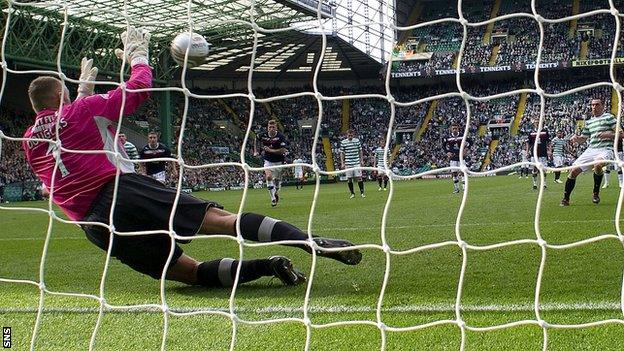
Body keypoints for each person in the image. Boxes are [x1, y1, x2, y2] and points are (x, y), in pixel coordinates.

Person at [22, 27, 361, 290]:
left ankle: (268, 265)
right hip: (121, 192)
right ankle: (310, 242)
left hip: (95, 225)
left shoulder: (26, 141)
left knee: (191, 274)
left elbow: (61, 137)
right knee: (222, 221)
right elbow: (139, 87)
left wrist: (79, 95)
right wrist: (138, 57)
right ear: (60, 95)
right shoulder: (82, 110)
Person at [561, 97, 616, 206]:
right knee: (573, 171)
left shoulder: (609, 118)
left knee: (598, 164)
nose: (594, 107)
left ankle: (595, 193)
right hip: (591, 150)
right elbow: (583, 139)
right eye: (592, 105)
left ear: (603, 106)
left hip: (606, 149)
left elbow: (621, 134)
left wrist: (608, 135)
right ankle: (566, 199)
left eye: (597, 104)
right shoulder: (589, 122)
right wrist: (577, 138)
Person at [254, 119, 288, 207]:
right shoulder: (263, 135)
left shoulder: (281, 136)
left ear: (276, 128)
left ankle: (276, 192)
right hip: (268, 161)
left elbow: (283, 150)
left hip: (279, 161)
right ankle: (273, 199)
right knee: (268, 177)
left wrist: (270, 150)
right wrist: (256, 151)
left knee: (277, 182)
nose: (271, 128)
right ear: (267, 128)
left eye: (273, 127)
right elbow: (256, 139)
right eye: (270, 127)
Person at [526, 119, 552, 190]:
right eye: (536, 123)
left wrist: (549, 150)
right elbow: (528, 143)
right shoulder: (531, 132)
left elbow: (549, 142)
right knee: (534, 169)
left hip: (543, 153)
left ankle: (544, 183)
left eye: (538, 122)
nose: (537, 124)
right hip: (534, 154)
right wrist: (527, 152)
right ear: (534, 124)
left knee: (543, 169)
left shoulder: (545, 132)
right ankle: (534, 184)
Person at [340, 129, 365, 198]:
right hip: (348, 163)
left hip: (356, 162)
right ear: (346, 135)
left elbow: (360, 151)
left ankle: (362, 193)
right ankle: (352, 193)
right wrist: (342, 163)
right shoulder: (343, 142)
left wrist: (361, 160)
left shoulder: (357, 141)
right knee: (349, 179)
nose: (350, 136)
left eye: (351, 135)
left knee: (359, 177)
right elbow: (342, 153)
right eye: (349, 135)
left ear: (353, 135)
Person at [443, 123, 467, 193]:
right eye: (453, 129)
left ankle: (464, 188)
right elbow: (443, 146)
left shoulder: (462, 135)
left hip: (461, 157)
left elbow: (470, 142)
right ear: (451, 129)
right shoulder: (448, 137)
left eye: (456, 128)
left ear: (458, 129)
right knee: (454, 173)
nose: (454, 130)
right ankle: (456, 188)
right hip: (453, 158)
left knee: (463, 172)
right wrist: (447, 152)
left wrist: (466, 149)